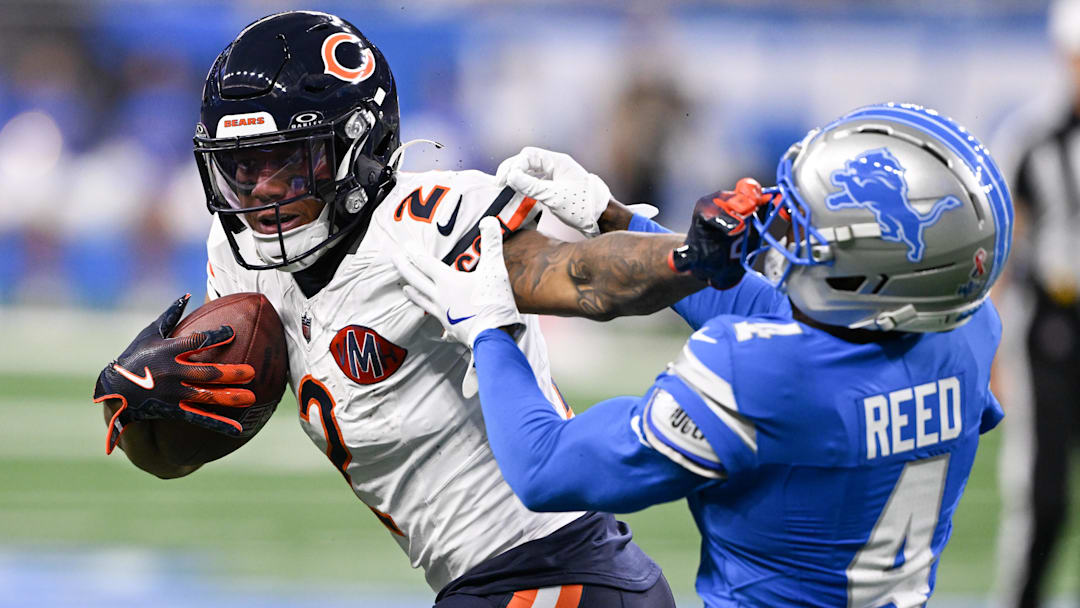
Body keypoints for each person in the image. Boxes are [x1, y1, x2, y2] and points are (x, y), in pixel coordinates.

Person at [88, 10, 745, 608]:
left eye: (287, 163)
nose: (262, 192)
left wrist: (687, 255)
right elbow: (185, 448)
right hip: (489, 583)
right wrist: (151, 405)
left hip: (557, 575)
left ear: (356, 148)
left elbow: (583, 277)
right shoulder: (239, 256)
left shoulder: (421, 227)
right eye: (243, 167)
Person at [392, 103, 1013, 607]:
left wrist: (489, 329)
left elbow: (546, 469)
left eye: (808, 228)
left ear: (876, 274)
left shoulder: (755, 374)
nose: (783, 230)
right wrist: (618, 221)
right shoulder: (966, 328)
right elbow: (822, 340)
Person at [992, 1, 1080, 605]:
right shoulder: (1032, 138)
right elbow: (1000, 249)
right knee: (1042, 493)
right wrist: (990, 343)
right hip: (1056, 321)